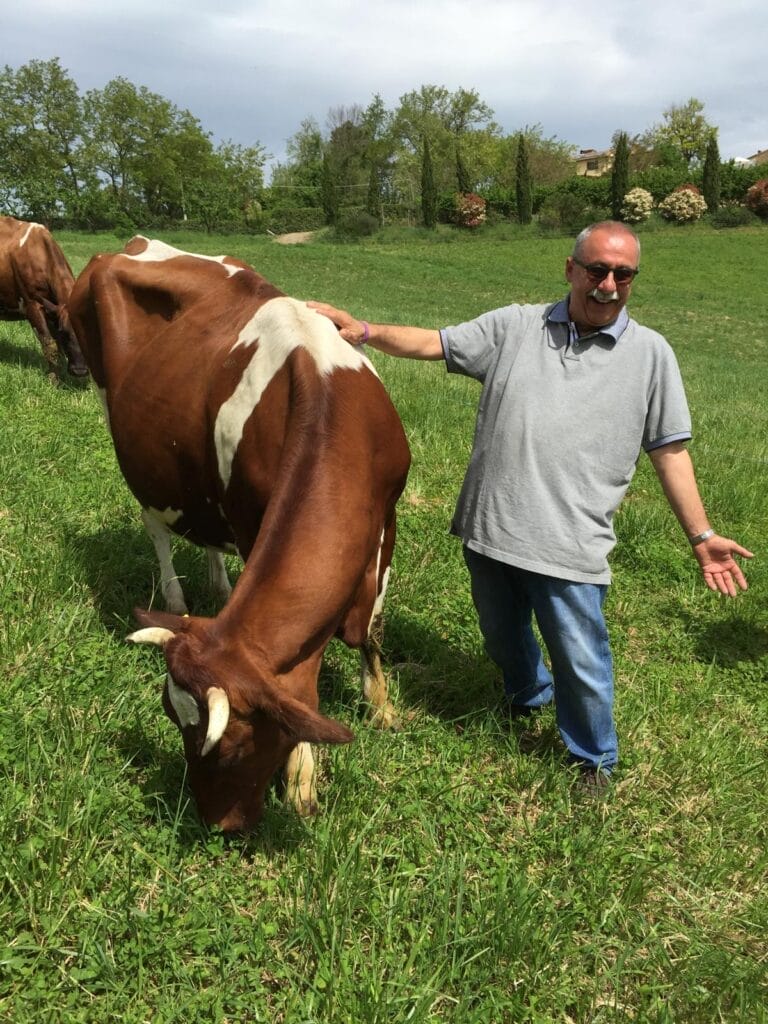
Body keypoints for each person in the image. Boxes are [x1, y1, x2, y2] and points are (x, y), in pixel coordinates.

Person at [308, 221, 752, 792]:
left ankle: (593, 758)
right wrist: (364, 330)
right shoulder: (517, 326)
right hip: (491, 528)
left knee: (581, 659)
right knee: (501, 634)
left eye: (624, 274)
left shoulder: (651, 356)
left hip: (571, 542)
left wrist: (701, 536)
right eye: (597, 271)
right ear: (571, 270)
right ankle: (526, 695)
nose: (609, 285)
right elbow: (436, 342)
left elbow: (671, 452)